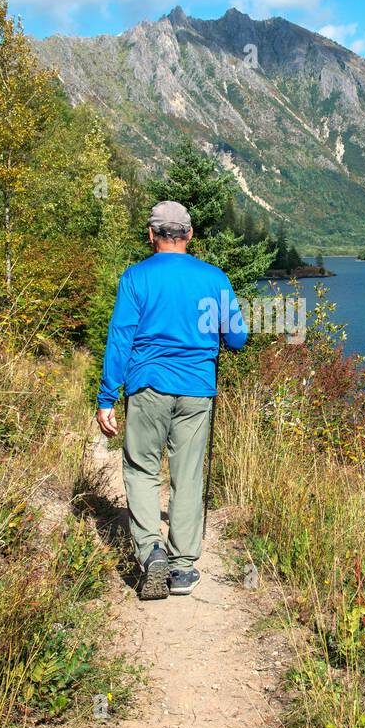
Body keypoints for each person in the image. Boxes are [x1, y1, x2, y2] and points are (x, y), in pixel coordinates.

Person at [96, 200, 248, 599]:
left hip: (147, 386)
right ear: (190, 235)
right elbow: (237, 338)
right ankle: (182, 568)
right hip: (197, 389)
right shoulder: (214, 278)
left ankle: (150, 551)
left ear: (151, 235)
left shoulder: (135, 278)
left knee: (142, 468)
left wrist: (106, 396)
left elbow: (120, 338)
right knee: (188, 474)